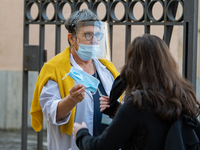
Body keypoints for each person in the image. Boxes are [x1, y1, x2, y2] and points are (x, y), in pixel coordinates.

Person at [73, 34, 200, 150]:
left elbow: (101, 147)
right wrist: (117, 110)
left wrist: (81, 133)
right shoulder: (183, 95)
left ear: (134, 64)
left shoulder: (137, 103)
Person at [30, 9, 122, 150]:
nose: (95, 40)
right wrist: (71, 99)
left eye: (98, 35)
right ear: (72, 38)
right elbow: (50, 111)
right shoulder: (55, 68)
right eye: (88, 35)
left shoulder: (107, 68)